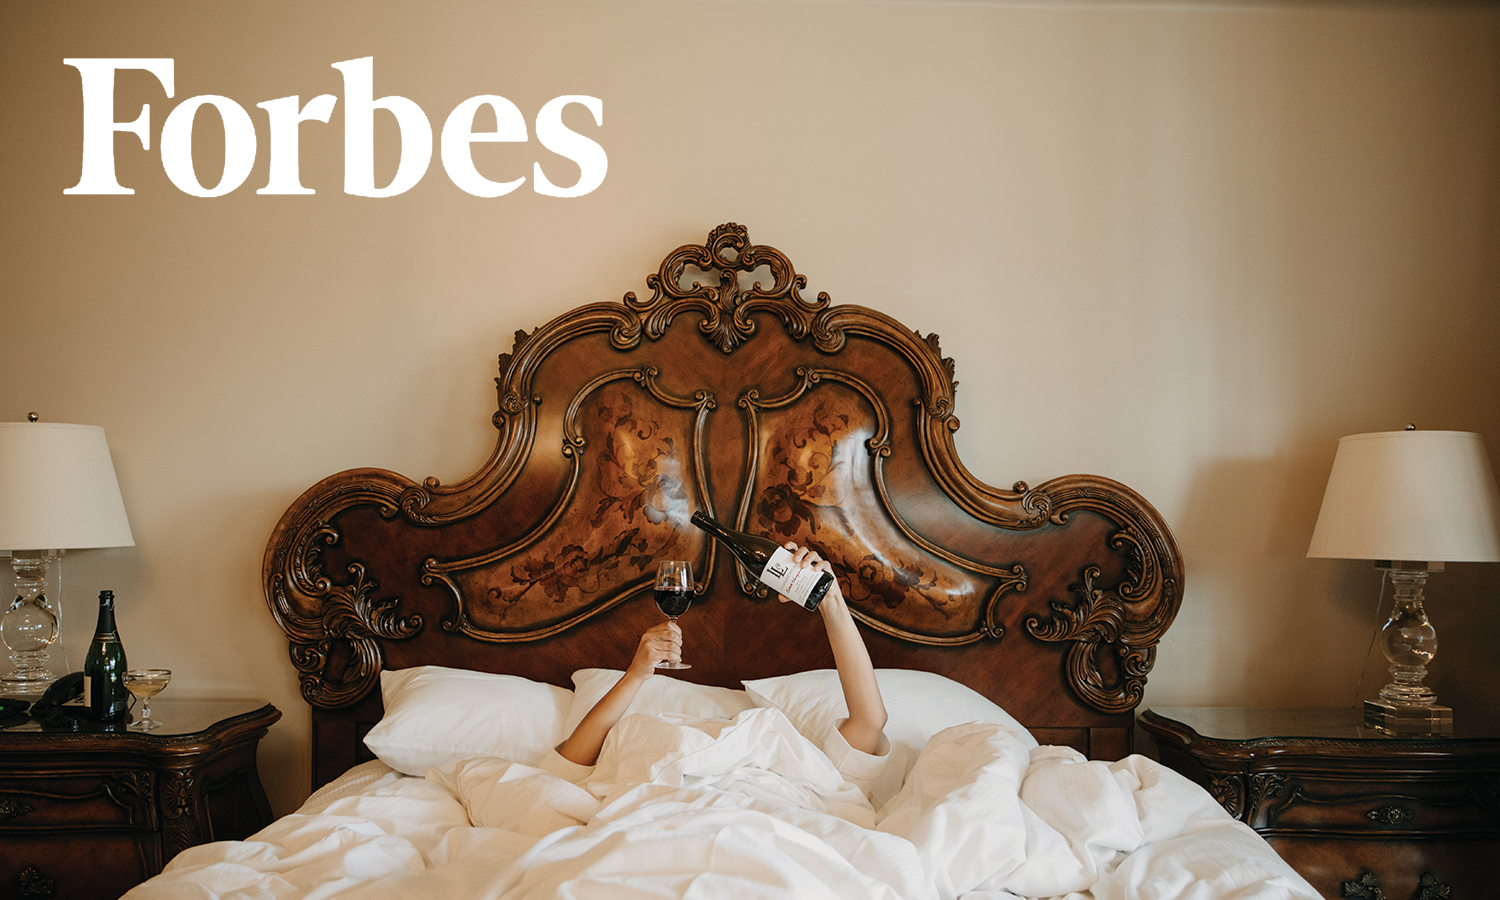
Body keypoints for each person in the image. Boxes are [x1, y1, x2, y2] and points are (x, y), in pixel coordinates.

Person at [549, 542, 890, 793]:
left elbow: (871, 721)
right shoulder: (642, 733)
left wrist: (831, 599)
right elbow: (567, 767)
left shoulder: (798, 759)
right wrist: (636, 673)